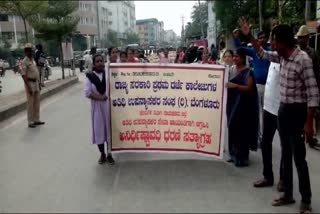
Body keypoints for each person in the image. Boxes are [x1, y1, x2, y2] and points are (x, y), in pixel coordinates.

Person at [239, 17, 319, 213]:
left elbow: (313, 94)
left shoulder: (303, 60)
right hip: (283, 110)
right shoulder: (282, 56)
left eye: (274, 41)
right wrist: (249, 35)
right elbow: (261, 53)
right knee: (285, 153)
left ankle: (306, 200)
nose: (272, 44)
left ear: (283, 42)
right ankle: (288, 194)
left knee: (299, 158)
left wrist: (309, 124)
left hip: (298, 112)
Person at [234, 29, 271, 146]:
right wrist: (236, 38)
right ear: (257, 40)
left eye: (264, 37)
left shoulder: (271, 52)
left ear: (267, 39)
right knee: (258, 113)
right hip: (257, 86)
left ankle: (266, 137)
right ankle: (260, 138)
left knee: (267, 114)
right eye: (260, 38)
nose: (262, 39)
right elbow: (241, 49)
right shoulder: (254, 51)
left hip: (270, 88)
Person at [253, 60, 284, 192]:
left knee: (286, 147)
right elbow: (260, 52)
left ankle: (284, 179)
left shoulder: (287, 60)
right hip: (269, 109)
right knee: (266, 143)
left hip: (282, 110)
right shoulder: (272, 60)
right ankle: (268, 176)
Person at [226, 48, 259, 167]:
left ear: (243, 58)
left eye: (237, 57)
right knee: (232, 127)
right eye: (234, 56)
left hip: (243, 106)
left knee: (241, 131)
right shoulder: (231, 69)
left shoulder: (248, 71)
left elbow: (249, 89)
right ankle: (233, 154)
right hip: (231, 104)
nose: (234, 58)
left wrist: (235, 86)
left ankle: (242, 157)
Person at [84, 54, 115, 165]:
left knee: (109, 131)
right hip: (97, 107)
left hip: (108, 107)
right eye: (97, 61)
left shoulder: (109, 74)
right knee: (99, 131)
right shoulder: (90, 76)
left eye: (101, 61)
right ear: (94, 63)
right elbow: (87, 93)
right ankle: (102, 154)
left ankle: (110, 154)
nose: (100, 63)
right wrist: (100, 98)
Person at [296, 25, 320, 149]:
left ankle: (311, 138)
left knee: (312, 114)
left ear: (308, 38)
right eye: (300, 38)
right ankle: (301, 136)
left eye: (303, 37)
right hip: (298, 91)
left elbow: (317, 74)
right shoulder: (294, 52)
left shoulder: (313, 54)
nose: (301, 40)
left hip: (310, 90)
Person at [21, 43, 45, 128]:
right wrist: (28, 87)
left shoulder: (33, 60)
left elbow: (36, 72)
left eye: (31, 50)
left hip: (36, 83)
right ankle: (30, 121)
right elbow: (23, 75)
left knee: (37, 102)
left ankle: (36, 119)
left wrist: (39, 83)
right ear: (25, 52)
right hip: (29, 83)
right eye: (28, 51)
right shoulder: (24, 61)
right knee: (30, 103)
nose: (30, 52)